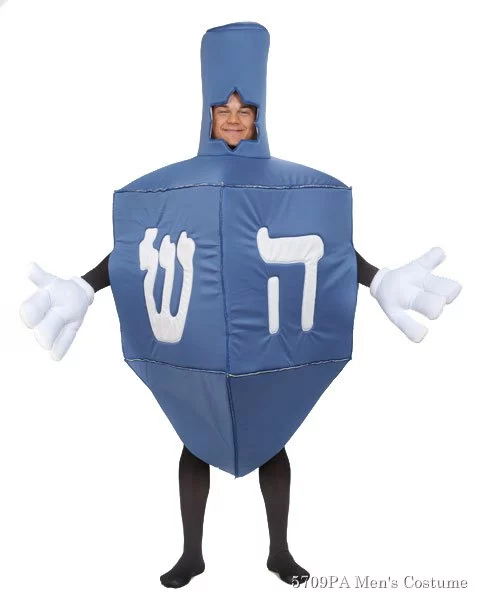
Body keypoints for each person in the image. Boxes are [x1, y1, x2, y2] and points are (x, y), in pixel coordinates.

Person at [20, 22, 461, 590]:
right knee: (194, 445)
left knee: (272, 443)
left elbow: (319, 245)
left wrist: (376, 280)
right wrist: (85, 285)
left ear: (258, 117)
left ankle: (279, 550)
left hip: (266, 355)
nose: (233, 119)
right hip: (196, 355)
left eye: (243, 111)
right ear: (207, 116)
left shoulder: (288, 189)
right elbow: (145, 246)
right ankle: (192, 553)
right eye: (223, 111)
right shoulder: (179, 189)